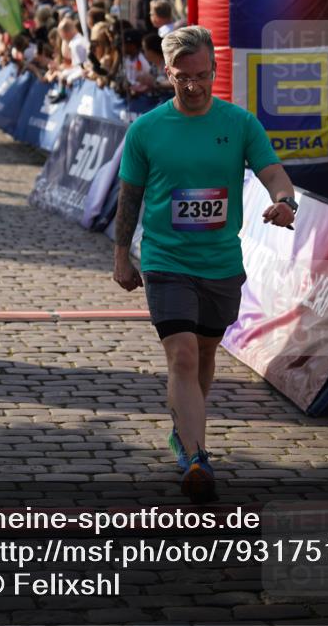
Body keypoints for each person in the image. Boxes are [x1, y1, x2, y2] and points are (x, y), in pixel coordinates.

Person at [113, 25, 297, 503]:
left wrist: (285, 201)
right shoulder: (146, 130)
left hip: (220, 262)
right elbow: (129, 197)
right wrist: (120, 255)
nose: (193, 86)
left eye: (202, 75)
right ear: (167, 73)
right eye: (183, 77)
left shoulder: (239, 123)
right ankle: (196, 457)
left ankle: (183, 429)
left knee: (206, 353)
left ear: (214, 69)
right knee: (182, 355)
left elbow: (273, 172)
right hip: (165, 258)